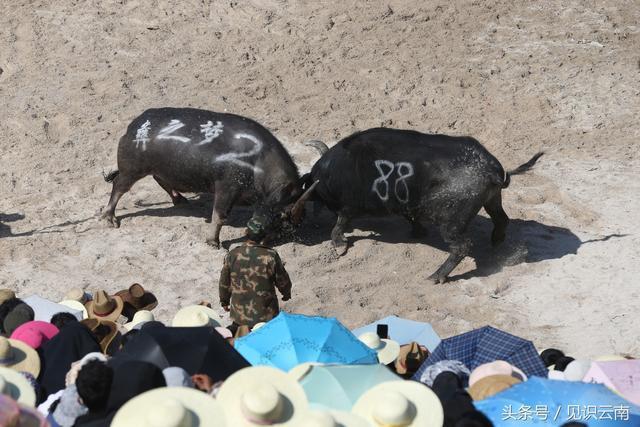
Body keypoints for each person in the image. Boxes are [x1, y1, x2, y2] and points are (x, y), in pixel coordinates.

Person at [218, 217, 292, 330]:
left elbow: (224, 282)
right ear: (264, 236)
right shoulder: (270, 255)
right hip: (266, 315)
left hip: (240, 315)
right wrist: (286, 293)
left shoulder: (233, 254)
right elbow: (282, 280)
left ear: (246, 232)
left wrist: (224, 301)